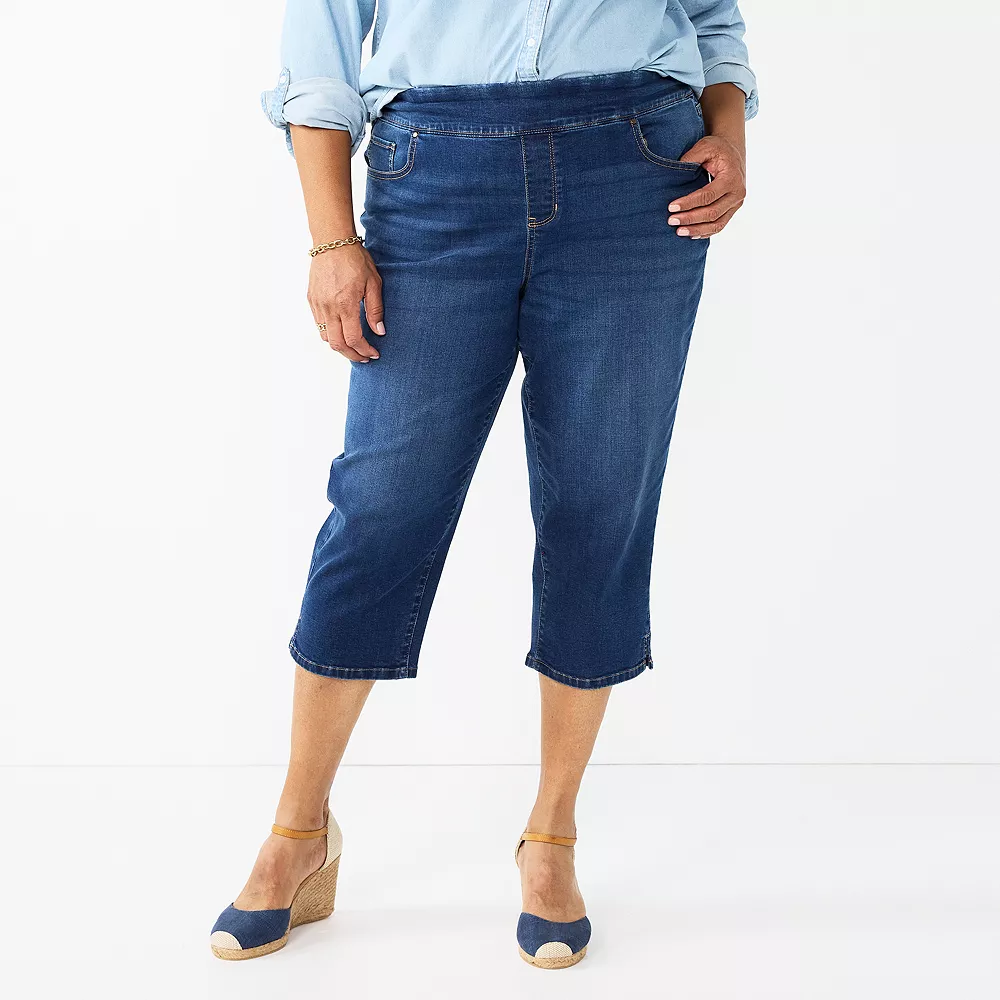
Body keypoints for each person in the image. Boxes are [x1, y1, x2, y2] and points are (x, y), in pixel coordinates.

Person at [211, 0, 756, 969]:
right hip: (435, 172)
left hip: (638, 172)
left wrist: (729, 132)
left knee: (601, 502)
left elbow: (712, 16)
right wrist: (331, 240)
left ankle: (551, 835)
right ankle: (298, 829)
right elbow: (321, 46)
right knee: (382, 506)